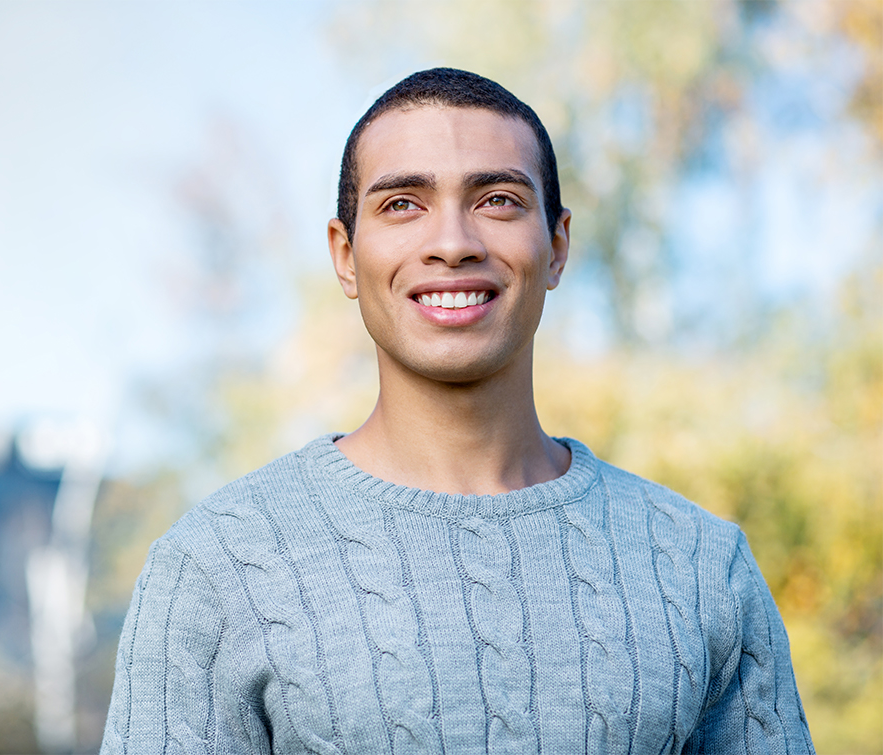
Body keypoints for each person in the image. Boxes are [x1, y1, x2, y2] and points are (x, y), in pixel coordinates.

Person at [100, 68, 814, 754]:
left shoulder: (701, 566)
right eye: (402, 203)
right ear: (345, 256)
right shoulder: (214, 569)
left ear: (557, 245)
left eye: (497, 199)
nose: (452, 244)